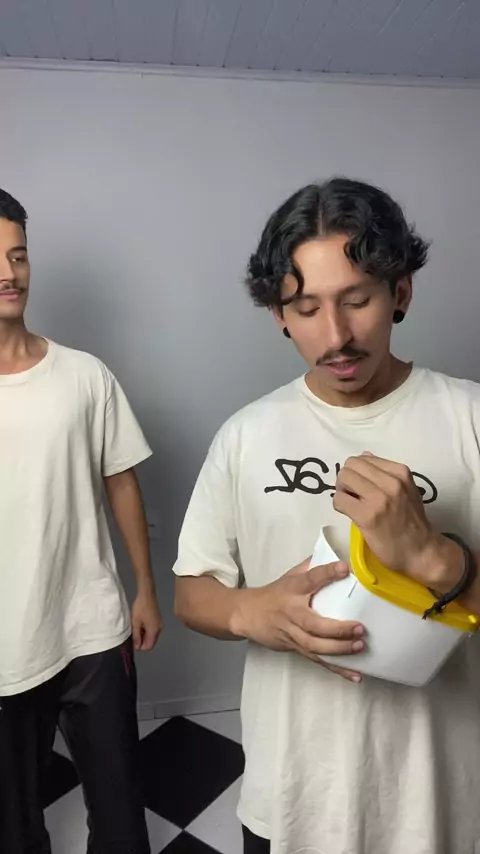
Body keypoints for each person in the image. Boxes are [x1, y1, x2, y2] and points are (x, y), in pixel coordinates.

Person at [173, 177, 480, 854]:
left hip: (438, 807)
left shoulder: (470, 419)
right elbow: (192, 593)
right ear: (279, 314)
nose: (335, 336)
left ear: (401, 292)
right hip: (291, 804)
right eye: (306, 308)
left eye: (358, 300)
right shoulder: (244, 435)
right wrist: (251, 612)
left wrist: (432, 557)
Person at [0, 188, 162, 854]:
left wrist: (144, 589)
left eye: (18, 256)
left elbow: (120, 480)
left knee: (121, 815)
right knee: (15, 829)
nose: (9, 273)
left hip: (92, 626)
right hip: (8, 643)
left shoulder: (84, 375)